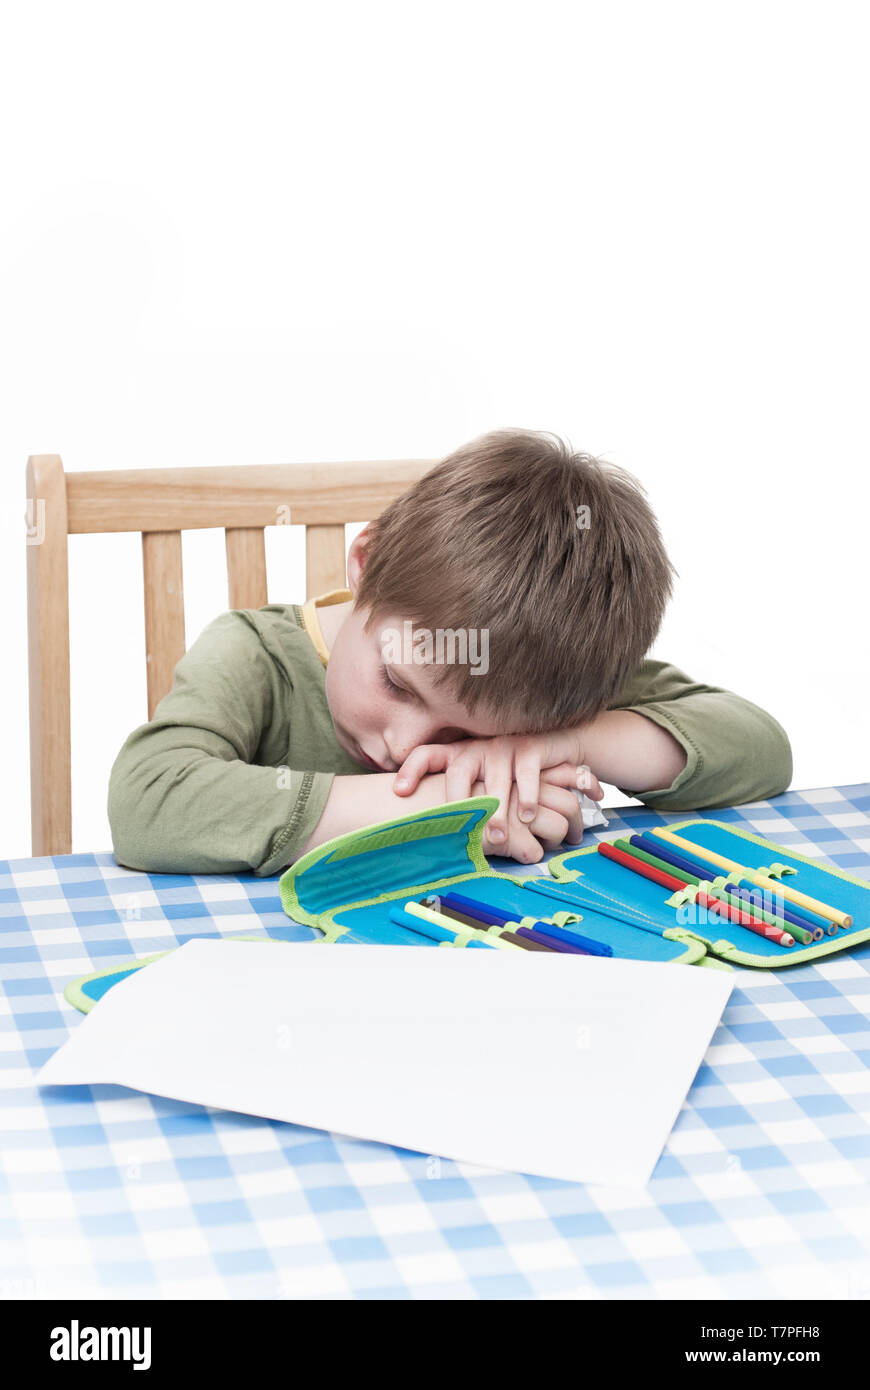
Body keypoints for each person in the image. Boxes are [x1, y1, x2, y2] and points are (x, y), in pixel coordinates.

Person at [108, 428, 792, 875]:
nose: (404, 744)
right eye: (398, 684)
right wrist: (445, 807)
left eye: (465, 734)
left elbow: (761, 748)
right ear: (367, 564)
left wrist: (569, 743)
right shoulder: (254, 654)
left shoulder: (538, 676)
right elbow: (147, 802)